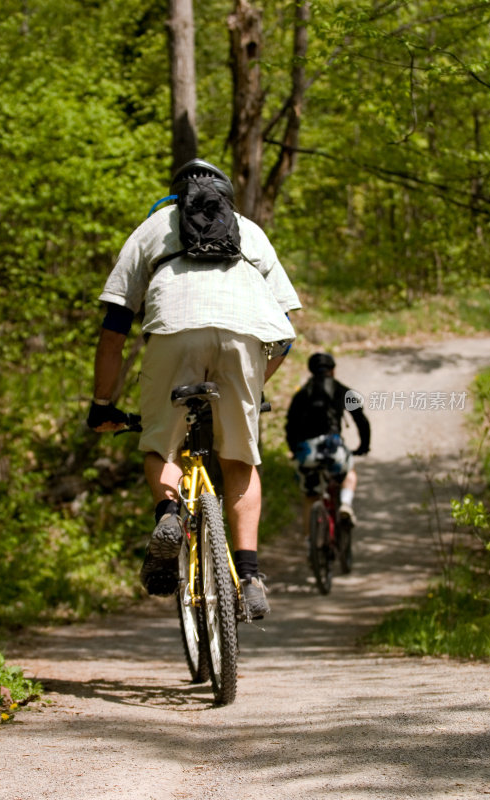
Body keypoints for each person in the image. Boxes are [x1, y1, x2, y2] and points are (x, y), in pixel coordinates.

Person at [87, 158, 301, 619]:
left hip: (174, 336)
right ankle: (248, 575)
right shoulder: (248, 230)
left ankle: (168, 517)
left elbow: (114, 327)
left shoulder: (152, 229)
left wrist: (102, 403)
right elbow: (285, 332)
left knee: (159, 447)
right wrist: (251, 389)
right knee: (240, 458)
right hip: (244, 338)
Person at [285, 352, 370, 538]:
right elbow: (361, 420)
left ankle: (310, 541)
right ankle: (346, 504)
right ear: (333, 370)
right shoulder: (342, 390)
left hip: (307, 452)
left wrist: (294, 450)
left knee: (310, 497)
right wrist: (364, 446)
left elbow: (290, 425)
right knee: (349, 472)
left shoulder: (301, 394)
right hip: (334, 450)